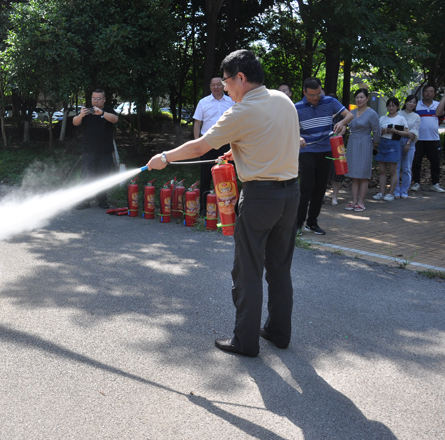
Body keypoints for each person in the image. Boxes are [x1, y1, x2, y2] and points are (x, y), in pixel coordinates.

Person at [147, 49, 299, 357]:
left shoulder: (240, 112)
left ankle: (245, 341)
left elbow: (201, 145)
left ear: (240, 78)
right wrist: (239, 151)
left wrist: (164, 157)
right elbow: (275, 137)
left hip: (260, 198)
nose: (226, 90)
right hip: (291, 195)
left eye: (227, 83)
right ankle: (279, 332)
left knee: (248, 271)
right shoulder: (283, 100)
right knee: (280, 270)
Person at [296, 78, 353, 234]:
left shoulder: (330, 101)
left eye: (318, 94)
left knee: (321, 188)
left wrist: (342, 123)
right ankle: (297, 223)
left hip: (326, 150)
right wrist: (298, 137)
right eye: (312, 95)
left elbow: (349, 115)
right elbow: (290, 128)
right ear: (304, 92)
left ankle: (312, 222)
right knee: (306, 187)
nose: (316, 97)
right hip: (307, 151)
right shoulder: (297, 108)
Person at [193, 76, 234, 210]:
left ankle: (228, 210)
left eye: (218, 84)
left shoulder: (231, 101)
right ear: (210, 86)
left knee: (227, 176)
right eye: (213, 85)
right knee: (205, 176)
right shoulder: (203, 102)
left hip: (226, 144)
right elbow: (197, 123)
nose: (216, 87)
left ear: (223, 86)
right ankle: (204, 210)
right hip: (207, 143)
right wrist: (196, 143)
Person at [73, 89, 119, 209]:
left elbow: (115, 119)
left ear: (104, 99)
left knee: (103, 176)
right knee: (87, 176)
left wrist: (102, 113)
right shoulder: (86, 111)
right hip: (88, 150)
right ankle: (85, 200)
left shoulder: (108, 110)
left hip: (105, 151)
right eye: (94, 98)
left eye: (99, 99)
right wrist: (81, 115)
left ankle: (102, 200)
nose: (96, 101)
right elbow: (75, 122)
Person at [344, 88, 380, 211]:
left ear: (367, 98)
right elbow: (345, 125)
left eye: (362, 97)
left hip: (365, 143)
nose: (359, 100)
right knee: (354, 175)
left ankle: (361, 202)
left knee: (363, 175)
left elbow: (377, 132)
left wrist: (374, 144)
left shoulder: (372, 113)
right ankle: (353, 201)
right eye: (357, 97)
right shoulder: (351, 113)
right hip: (352, 143)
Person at [373, 97, 410, 201]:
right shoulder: (382, 118)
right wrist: (382, 132)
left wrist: (395, 131)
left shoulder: (401, 119)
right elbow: (376, 133)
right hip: (383, 143)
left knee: (393, 171)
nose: (391, 107)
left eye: (393, 105)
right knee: (382, 170)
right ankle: (381, 192)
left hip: (394, 144)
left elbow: (407, 133)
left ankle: (391, 193)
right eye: (389, 105)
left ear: (397, 107)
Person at [411, 85, 443, 192]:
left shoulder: (438, 105)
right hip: (418, 139)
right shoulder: (416, 105)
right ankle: (416, 182)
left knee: (435, 163)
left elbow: (441, 119)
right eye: (426, 91)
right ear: (423, 93)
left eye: (431, 91)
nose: (428, 93)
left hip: (434, 139)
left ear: (434, 94)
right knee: (416, 162)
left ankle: (435, 183)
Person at [395, 95, 420, 199]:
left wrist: (408, 143)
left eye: (414, 102)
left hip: (410, 143)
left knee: (406, 168)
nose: (411, 104)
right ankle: (395, 190)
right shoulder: (399, 114)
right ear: (405, 103)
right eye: (410, 102)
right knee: (396, 167)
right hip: (397, 141)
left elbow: (414, 131)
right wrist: (405, 133)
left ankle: (404, 190)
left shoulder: (416, 116)